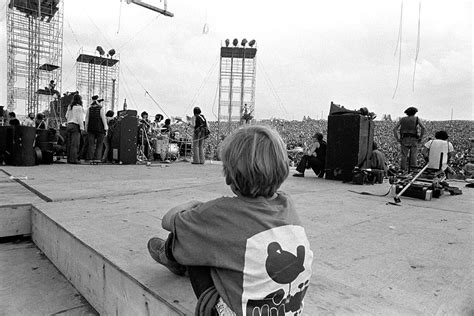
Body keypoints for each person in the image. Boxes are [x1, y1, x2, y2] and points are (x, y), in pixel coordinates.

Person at [147, 125, 313, 315]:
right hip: (288, 309)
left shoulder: (220, 212)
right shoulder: (287, 204)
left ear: (228, 178)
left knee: (195, 236)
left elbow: (167, 221)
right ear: (282, 171)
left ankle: (170, 256)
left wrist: (194, 204)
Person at [393, 106, 426, 172]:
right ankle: (413, 170)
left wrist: (397, 138)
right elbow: (423, 128)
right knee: (413, 155)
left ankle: (402, 170)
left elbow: (394, 129)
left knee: (404, 155)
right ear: (414, 112)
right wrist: (420, 137)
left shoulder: (402, 119)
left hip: (404, 138)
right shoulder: (416, 119)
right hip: (413, 139)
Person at [85, 95, 108, 161]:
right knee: (99, 144)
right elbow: (103, 119)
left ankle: (90, 158)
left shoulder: (89, 109)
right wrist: (106, 128)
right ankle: (97, 158)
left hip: (91, 128)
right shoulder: (101, 109)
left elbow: (86, 119)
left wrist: (86, 128)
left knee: (91, 144)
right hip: (100, 129)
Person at [65, 94, 84, 164]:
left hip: (69, 125)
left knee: (69, 144)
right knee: (75, 144)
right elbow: (80, 118)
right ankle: (74, 159)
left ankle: (69, 159)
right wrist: (82, 127)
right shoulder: (79, 107)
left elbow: (66, 116)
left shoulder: (70, 106)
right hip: (75, 125)